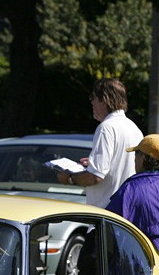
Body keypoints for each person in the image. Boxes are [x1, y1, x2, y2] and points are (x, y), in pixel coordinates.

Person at [58, 77, 143, 208]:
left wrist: (69, 178)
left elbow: (95, 177)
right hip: (125, 213)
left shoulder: (106, 127)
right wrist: (93, 163)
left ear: (104, 100)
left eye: (93, 97)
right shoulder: (134, 129)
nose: (92, 102)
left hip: (105, 214)